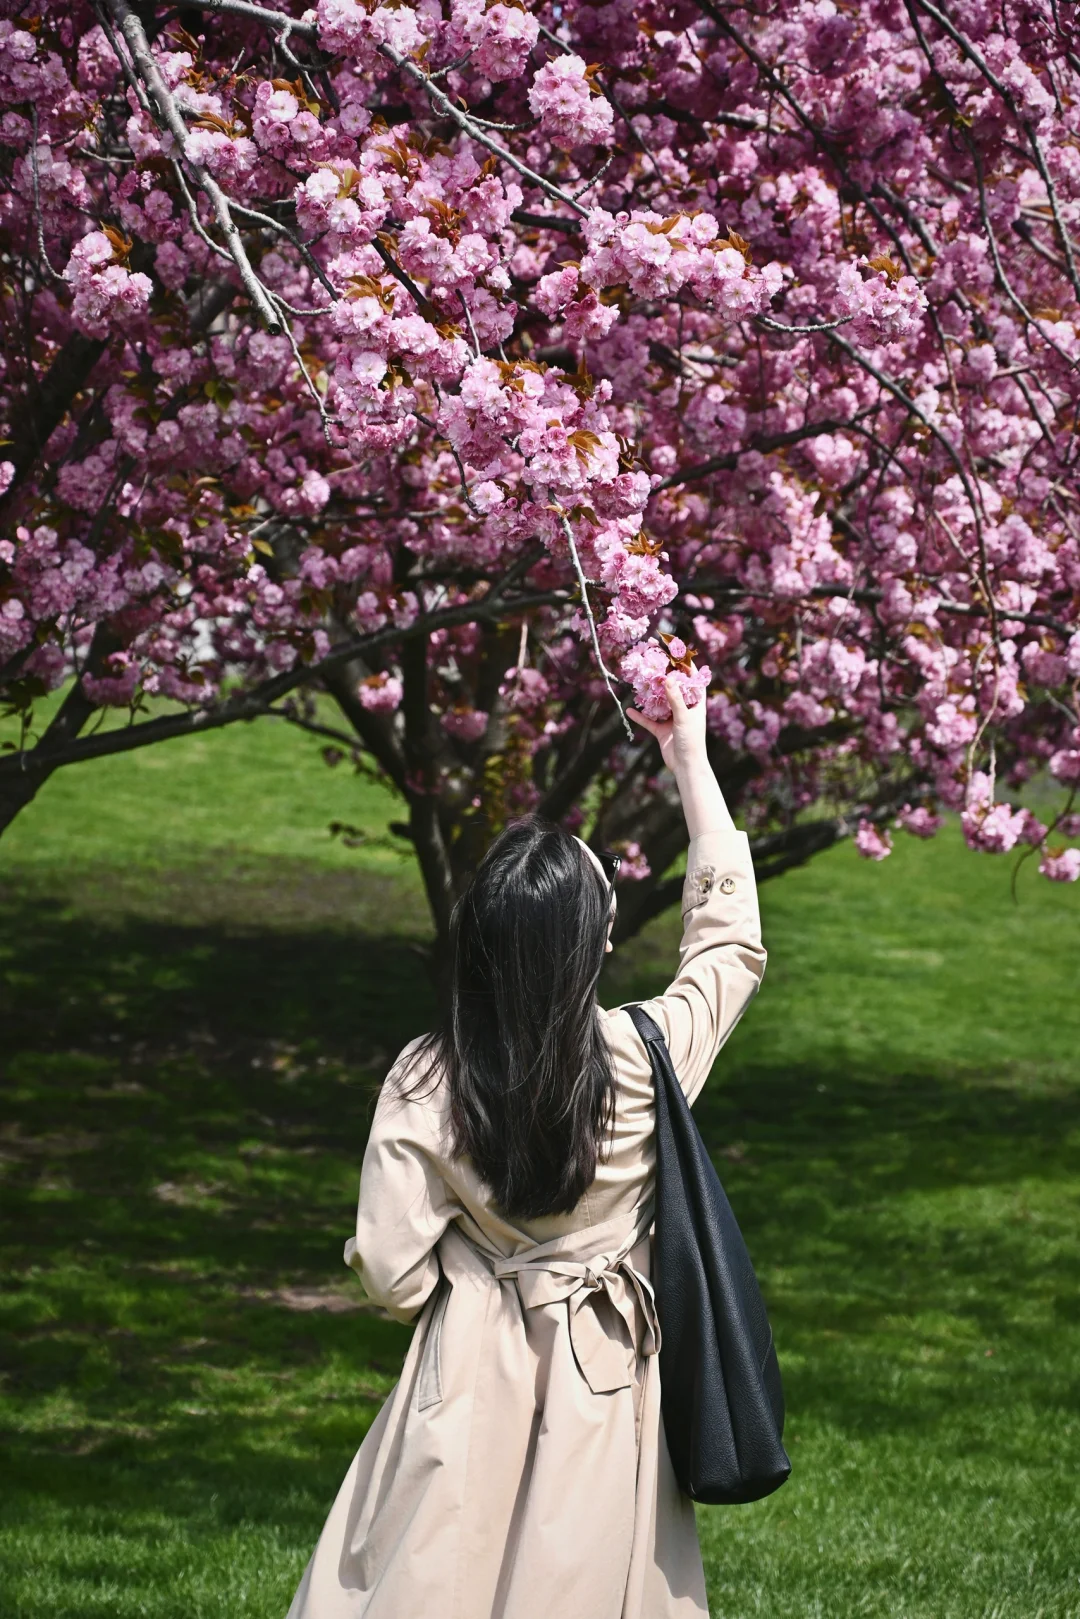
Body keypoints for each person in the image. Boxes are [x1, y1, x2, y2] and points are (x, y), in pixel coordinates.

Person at [286, 676, 767, 1619]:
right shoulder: (644, 1056)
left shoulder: (429, 1075)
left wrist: (477, 1271)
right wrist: (691, 761)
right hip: (603, 1365)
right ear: (591, 946)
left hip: (467, 1357)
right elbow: (729, 945)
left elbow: (389, 1272)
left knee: (425, 1571)